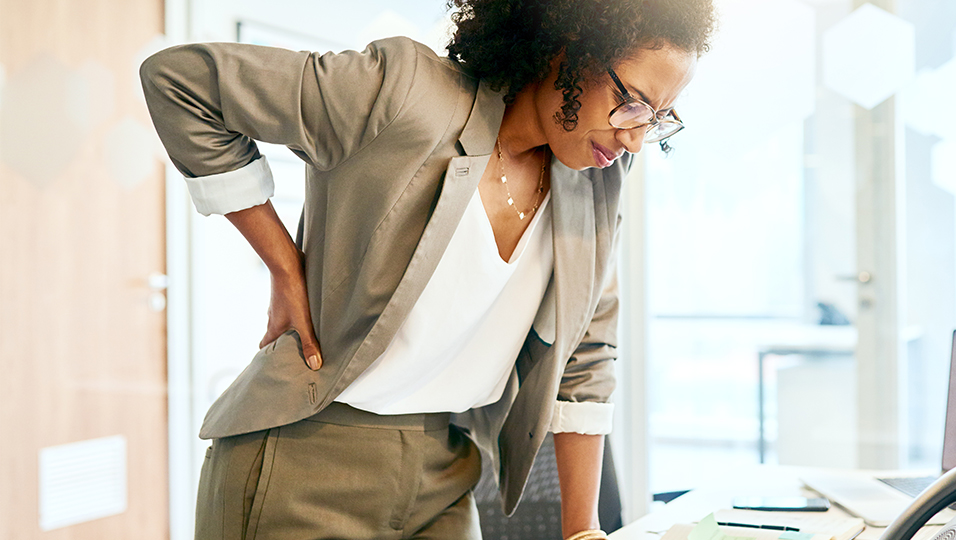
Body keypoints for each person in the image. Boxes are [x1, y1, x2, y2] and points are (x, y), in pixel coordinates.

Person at [141, 0, 714, 538]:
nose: (635, 139)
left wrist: (583, 531)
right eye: (632, 101)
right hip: (304, 463)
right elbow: (182, 83)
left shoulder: (595, 178)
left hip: (445, 469)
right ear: (566, 46)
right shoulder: (407, 93)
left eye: (658, 118)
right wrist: (284, 266)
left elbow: (585, 356)